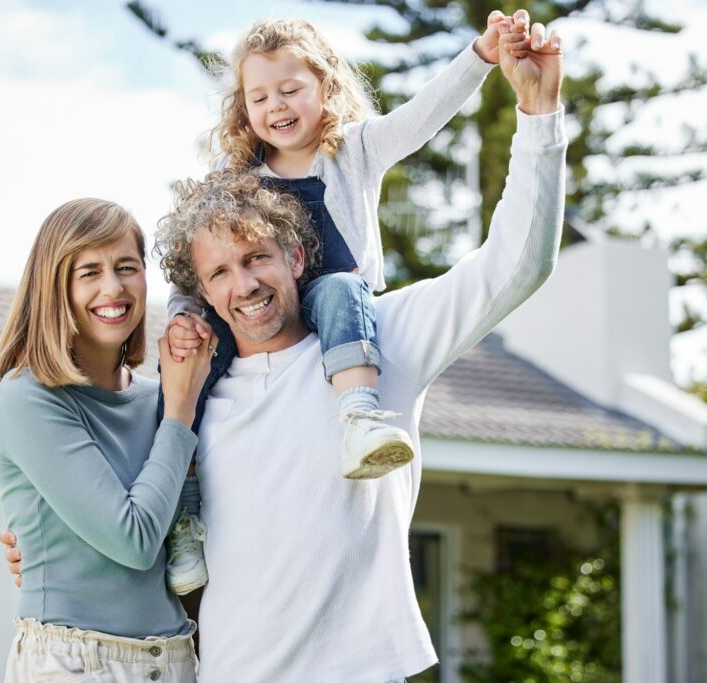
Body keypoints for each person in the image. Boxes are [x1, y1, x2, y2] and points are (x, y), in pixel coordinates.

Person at [4, 9, 564, 680]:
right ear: (199, 291)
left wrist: (538, 115)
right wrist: (39, 552)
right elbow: (127, 528)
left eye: (257, 256)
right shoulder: (187, 402)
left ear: (297, 254)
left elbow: (518, 263)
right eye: (219, 271)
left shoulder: (383, 340)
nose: (244, 284)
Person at [160, 9, 533, 597]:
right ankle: (182, 517)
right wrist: (183, 314)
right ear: (243, 109)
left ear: (324, 86)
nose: (276, 106)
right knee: (193, 356)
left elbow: (422, 116)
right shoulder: (239, 177)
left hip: (338, 309)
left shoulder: (354, 148)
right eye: (259, 97)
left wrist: (482, 56)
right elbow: (200, 257)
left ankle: (359, 418)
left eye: (290, 89)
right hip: (261, 314)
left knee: (336, 288)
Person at [0, 198, 215, 682]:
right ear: (56, 287)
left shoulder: (165, 398)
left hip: (175, 660)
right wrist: (179, 414)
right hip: (76, 664)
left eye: (127, 267)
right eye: (88, 271)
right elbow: (133, 541)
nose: (112, 287)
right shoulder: (28, 397)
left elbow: (192, 550)